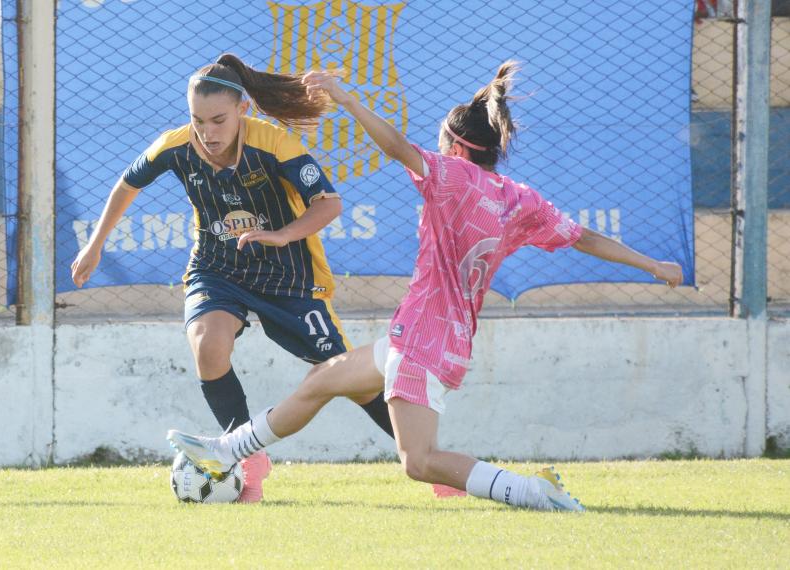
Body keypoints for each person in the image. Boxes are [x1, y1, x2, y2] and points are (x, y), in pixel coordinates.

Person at [168, 61, 684, 512]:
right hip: (426, 338)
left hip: (421, 343)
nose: (437, 149)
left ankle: (532, 491)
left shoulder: (452, 177)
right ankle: (227, 451)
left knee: (420, 462)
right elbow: (585, 237)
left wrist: (347, 98)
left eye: (442, 141)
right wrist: (652, 264)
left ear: (458, 146)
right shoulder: (520, 200)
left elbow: (394, 146)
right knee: (321, 381)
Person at [70, 53, 397, 503]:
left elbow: (329, 203)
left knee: (351, 380)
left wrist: (282, 235)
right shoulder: (175, 145)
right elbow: (127, 183)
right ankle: (245, 457)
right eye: (197, 120)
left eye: (218, 119)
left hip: (289, 277)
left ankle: (423, 457)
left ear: (242, 109)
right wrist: (95, 243)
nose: (207, 132)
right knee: (208, 345)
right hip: (217, 269)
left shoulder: (274, 143)